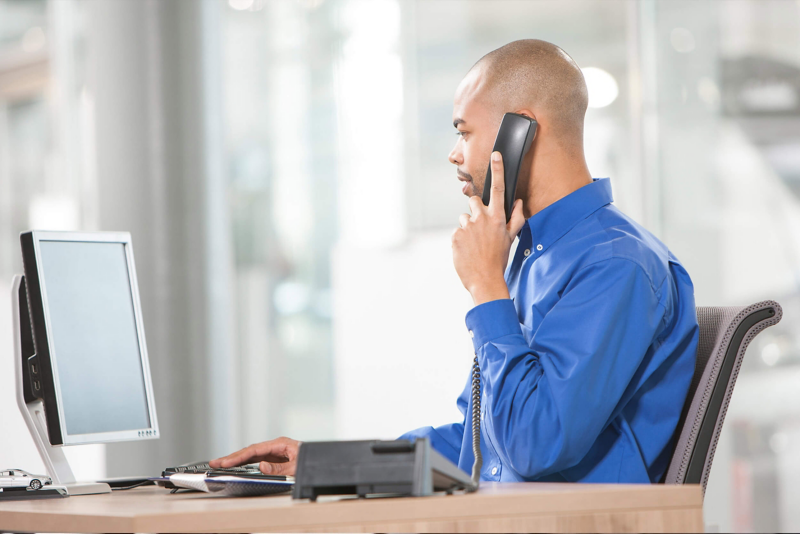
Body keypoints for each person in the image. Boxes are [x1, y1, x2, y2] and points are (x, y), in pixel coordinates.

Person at [211, 39, 699, 483]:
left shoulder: (615, 264)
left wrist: (487, 286)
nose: (453, 154)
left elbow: (536, 446)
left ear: (522, 129)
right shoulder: (534, 256)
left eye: (464, 132)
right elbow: (477, 445)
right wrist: (325, 464)